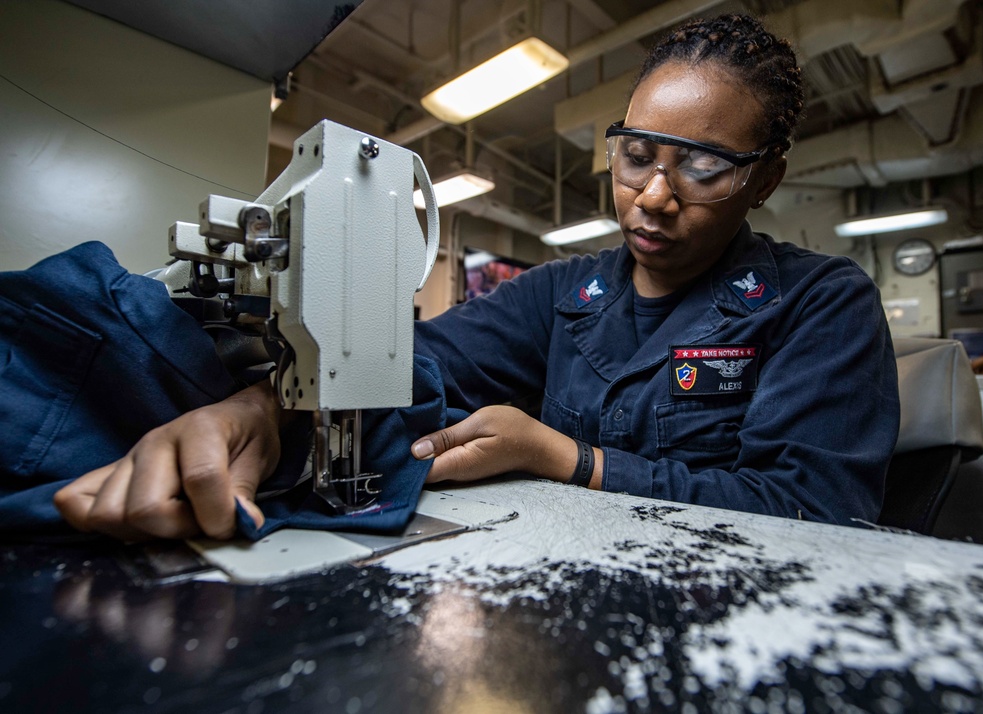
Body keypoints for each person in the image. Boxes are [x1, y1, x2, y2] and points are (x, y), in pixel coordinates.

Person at [53, 13, 900, 541]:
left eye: (703, 169)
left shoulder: (819, 304)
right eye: (635, 155)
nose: (653, 195)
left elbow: (817, 509)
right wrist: (264, 412)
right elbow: (409, 364)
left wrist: (573, 460)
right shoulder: (563, 295)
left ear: (765, 178)